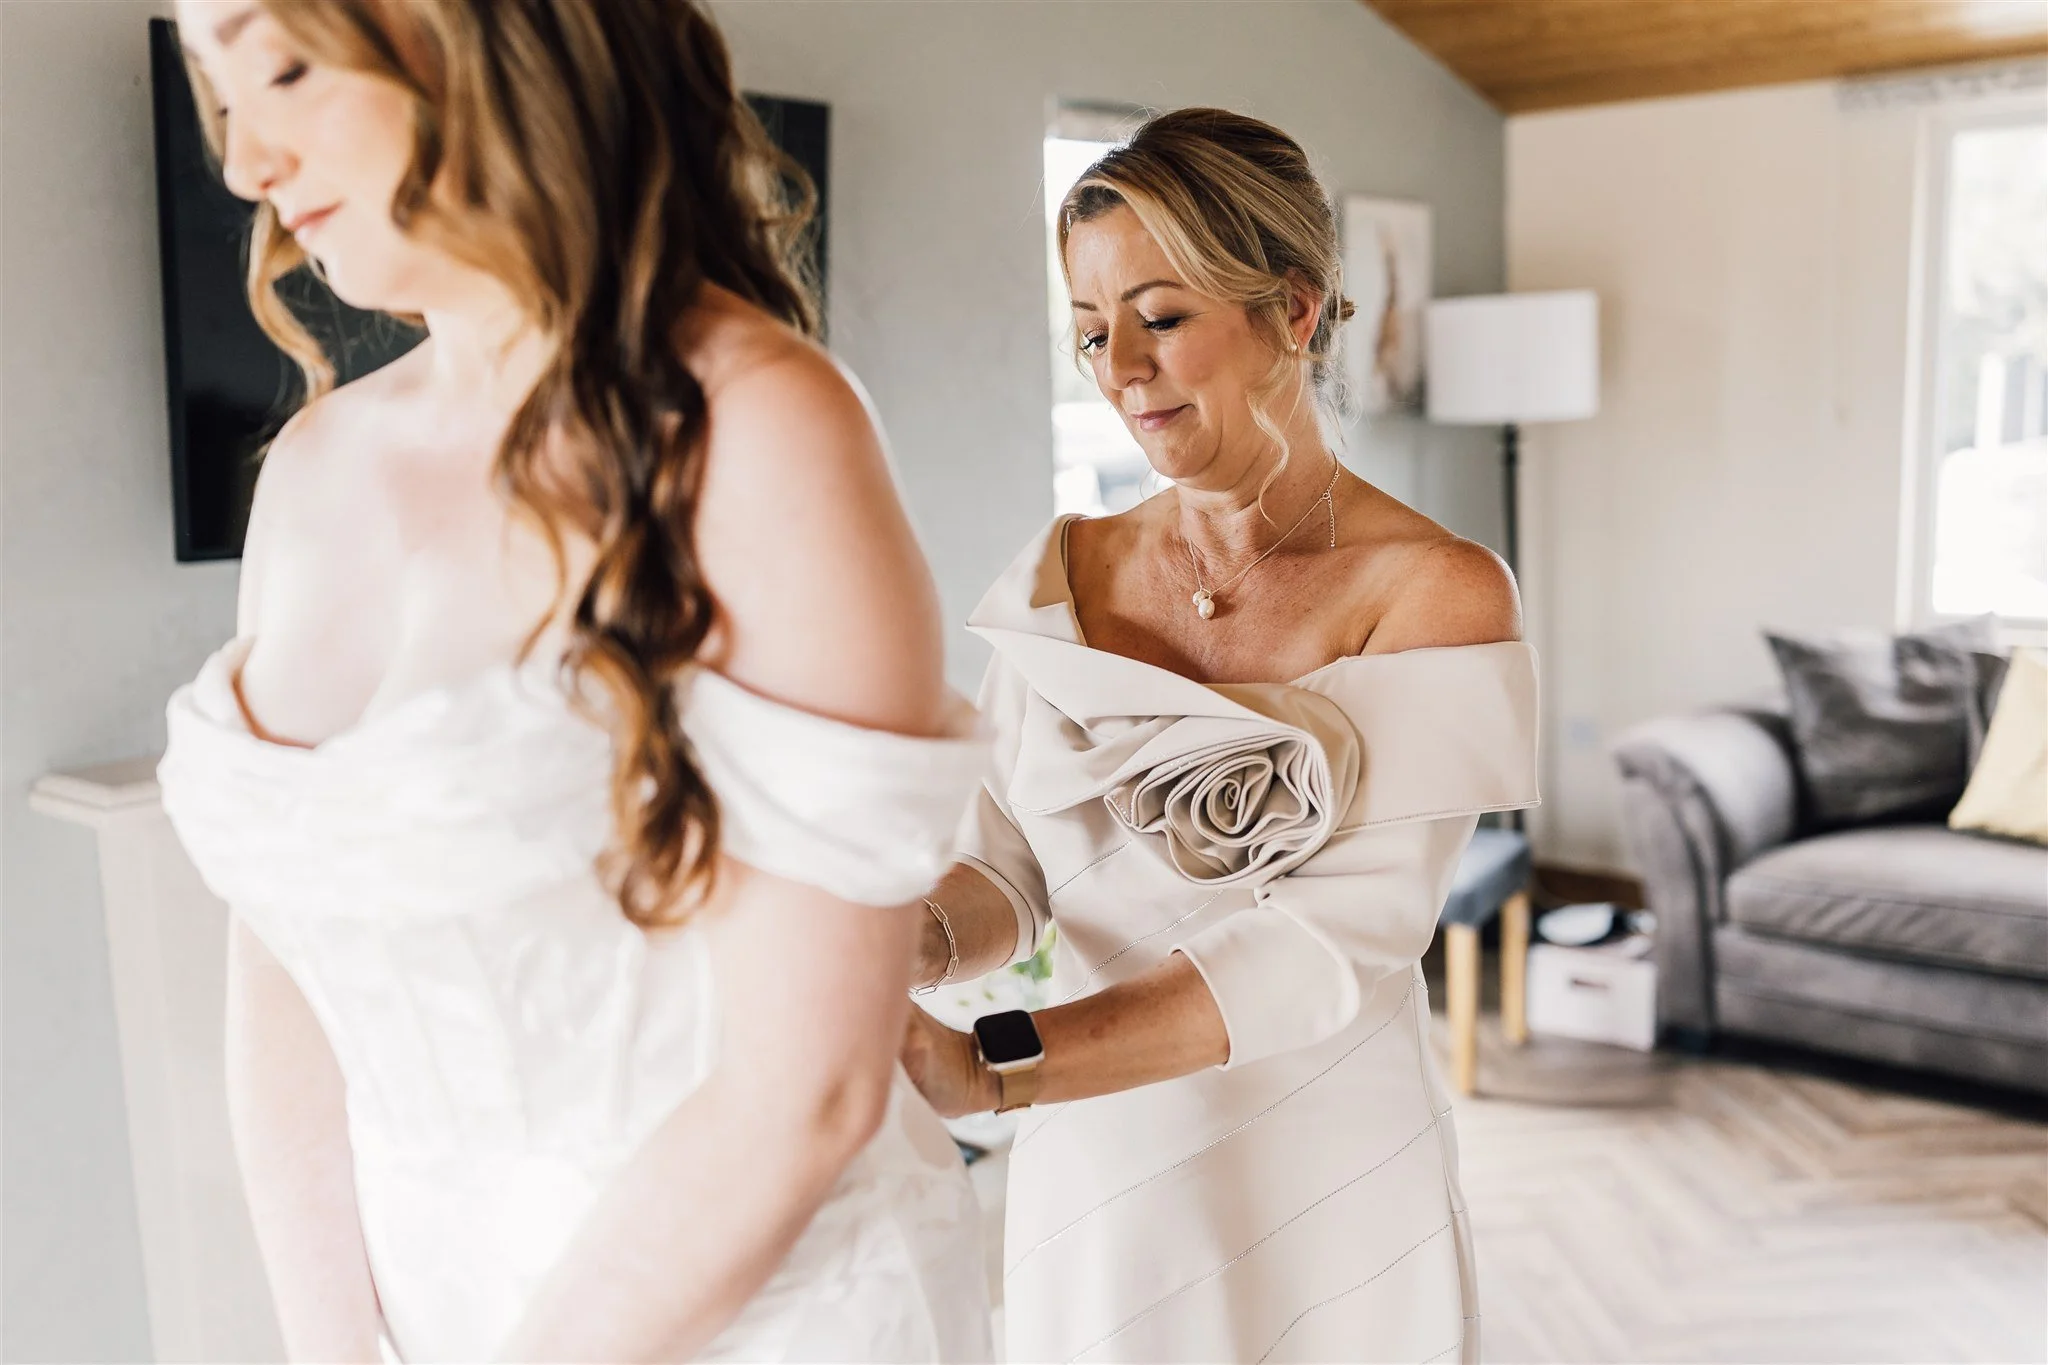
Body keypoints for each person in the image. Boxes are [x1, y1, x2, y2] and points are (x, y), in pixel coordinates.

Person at [156, 2, 991, 1359]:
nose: (247, 161)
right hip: (431, 1306)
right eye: (217, 97)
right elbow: (285, 963)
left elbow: (810, 1090)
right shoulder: (315, 469)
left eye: (287, 71)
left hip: (759, 1310)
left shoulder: (760, 431)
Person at [899, 108, 1539, 1364]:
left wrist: (993, 1068)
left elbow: (1323, 945)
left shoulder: (1440, 592)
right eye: (1090, 332)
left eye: (1161, 315)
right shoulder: (1061, 574)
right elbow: (1001, 867)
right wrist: (905, 940)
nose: (1119, 368)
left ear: (1293, 313)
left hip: (1330, 1179)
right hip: (1103, 1170)